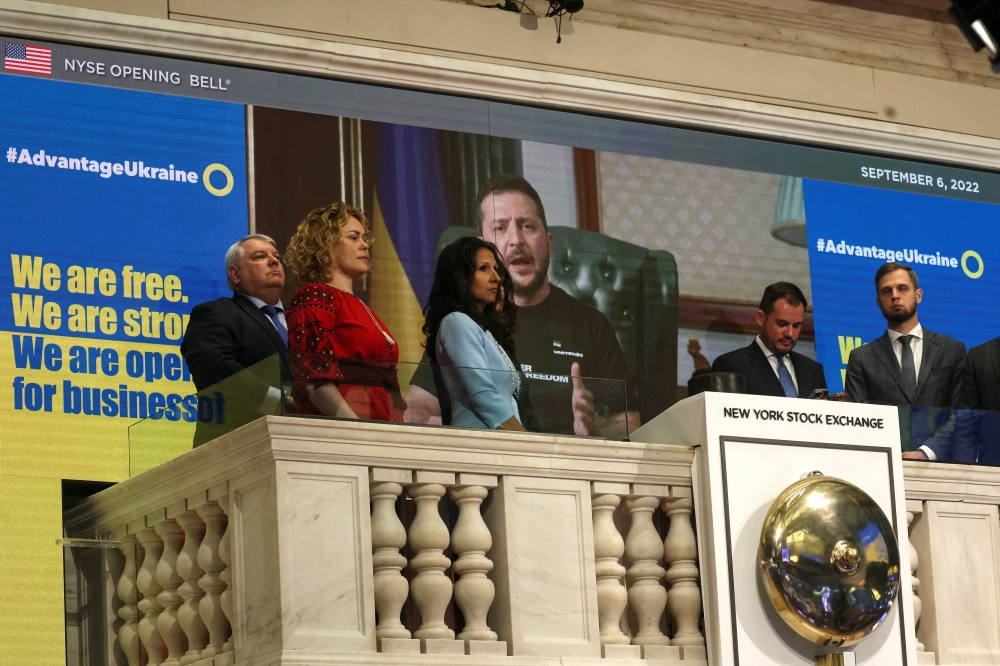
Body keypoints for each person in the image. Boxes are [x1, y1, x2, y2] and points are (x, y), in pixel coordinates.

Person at [406, 174, 637, 436]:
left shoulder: (592, 325)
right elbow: (415, 410)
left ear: (548, 243)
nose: (516, 240)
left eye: (527, 226)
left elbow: (629, 423)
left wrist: (596, 428)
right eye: (500, 228)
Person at [283, 202, 405, 421]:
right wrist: (354, 429)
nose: (365, 245)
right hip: (347, 425)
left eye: (364, 238)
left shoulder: (360, 306)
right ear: (325, 245)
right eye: (353, 237)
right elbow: (315, 381)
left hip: (380, 422)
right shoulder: (314, 297)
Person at [845, 262, 966, 460]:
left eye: (902, 288)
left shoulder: (952, 350)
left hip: (942, 469)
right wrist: (891, 455)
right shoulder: (861, 358)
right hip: (884, 466)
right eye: (886, 291)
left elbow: (961, 412)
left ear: (918, 295)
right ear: (878, 301)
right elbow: (860, 421)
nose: (894, 295)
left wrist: (927, 452)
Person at [424, 236, 531, 431]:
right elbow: (483, 395)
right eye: (483, 268)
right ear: (460, 278)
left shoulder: (483, 330)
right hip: (478, 443)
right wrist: (528, 442)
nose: (496, 278)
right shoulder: (456, 322)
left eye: (496, 269)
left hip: (501, 443)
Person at [182, 233, 291, 393]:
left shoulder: (300, 317)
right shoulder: (215, 314)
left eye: (276, 256)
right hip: (249, 416)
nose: (274, 261)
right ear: (236, 274)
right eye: (260, 256)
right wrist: (279, 402)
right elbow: (214, 369)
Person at [711, 282, 827, 398]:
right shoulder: (731, 366)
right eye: (782, 324)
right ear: (761, 318)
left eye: (796, 326)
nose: (790, 333)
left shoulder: (813, 371)